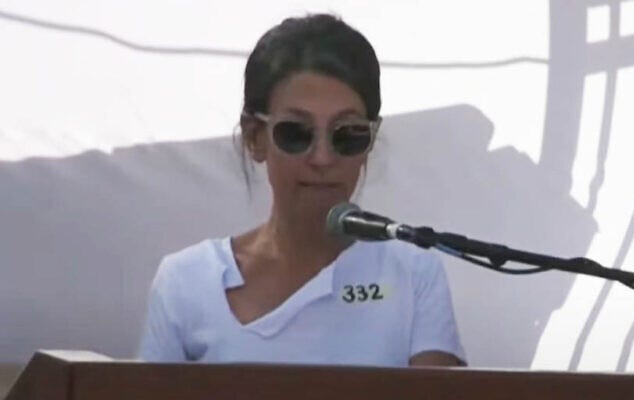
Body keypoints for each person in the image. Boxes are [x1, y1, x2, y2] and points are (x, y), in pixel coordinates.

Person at [139, 13, 466, 367]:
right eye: (295, 133)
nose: (322, 158)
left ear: (370, 140)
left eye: (347, 134)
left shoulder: (413, 273)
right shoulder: (187, 280)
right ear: (255, 137)